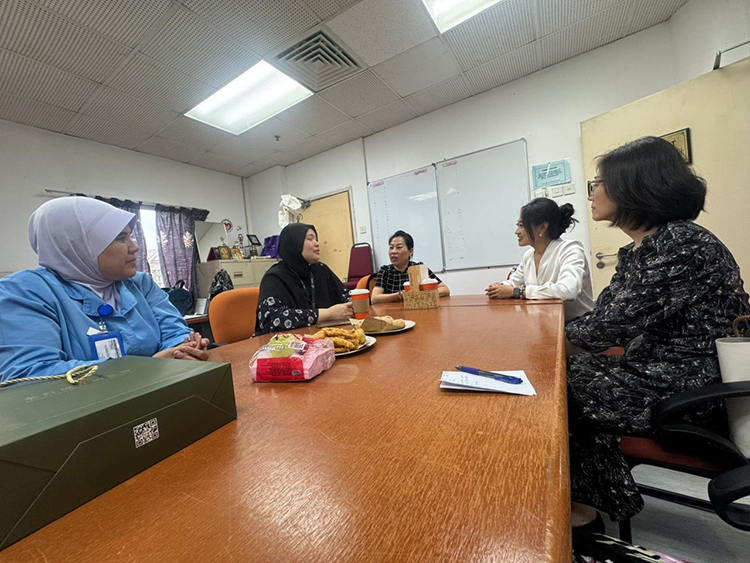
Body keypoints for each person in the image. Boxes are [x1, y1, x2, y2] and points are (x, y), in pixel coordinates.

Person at [565, 137, 750, 529]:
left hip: (692, 387)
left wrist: (536, 342)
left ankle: (585, 510)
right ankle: (590, 501)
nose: (592, 192)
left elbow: (604, 328)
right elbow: (605, 320)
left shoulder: (682, 243)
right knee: (561, 378)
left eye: (599, 182)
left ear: (633, 185)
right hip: (658, 371)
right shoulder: (640, 249)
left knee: (557, 386)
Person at [0, 197, 209, 384]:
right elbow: (29, 376)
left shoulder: (140, 283)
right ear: (79, 245)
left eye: (131, 236)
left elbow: (177, 333)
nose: (134, 247)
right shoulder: (25, 292)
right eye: (121, 238)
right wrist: (148, 368)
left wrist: (185, 350)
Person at [484, 198, 594, 321]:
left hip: (578, 323)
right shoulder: (529, 255)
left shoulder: (570, 249)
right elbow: (514, 282)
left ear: (542, 227)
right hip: (545, 321)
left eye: (522, 226)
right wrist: (499, 287)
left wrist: (517, 292)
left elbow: (568, 290)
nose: (516, 232)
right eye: (517, 225)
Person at [255, 223, 353, 335]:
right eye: (310, 239)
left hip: (323, 339)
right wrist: (327, 314)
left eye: (316, 239)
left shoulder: (321, 270)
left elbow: (345, 296)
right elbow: (271, 320)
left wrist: (355, 302)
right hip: (285, 343)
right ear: (294, 244)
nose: (317, 243)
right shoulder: (275, 277)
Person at [371, 230, 450, 304]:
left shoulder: (418, 268)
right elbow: (374, 298)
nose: (393, 251)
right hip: (392, 312)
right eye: (391, 247)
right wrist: (400, 295)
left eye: (399, 247)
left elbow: (445, 290)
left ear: (411, 251)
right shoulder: (385, 270)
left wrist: (420, 295)